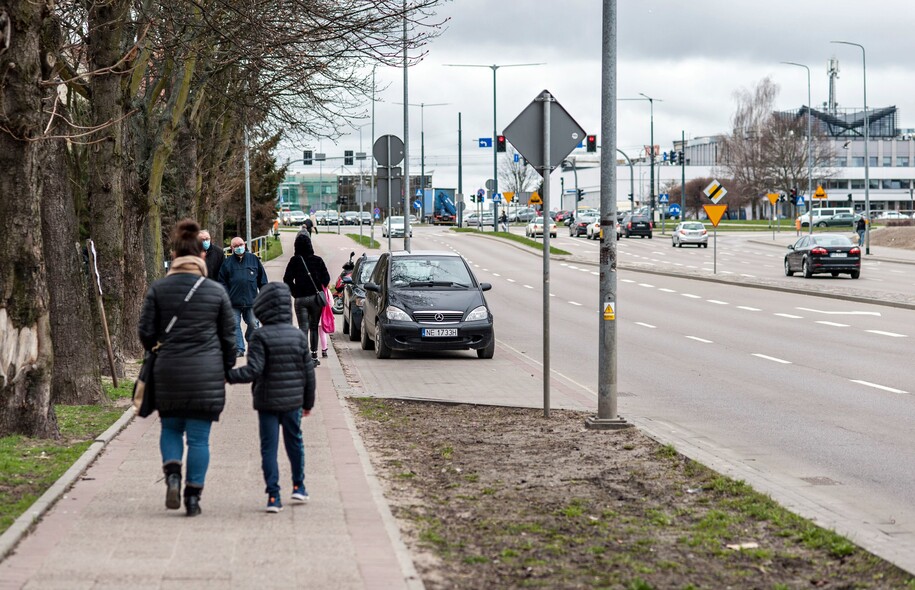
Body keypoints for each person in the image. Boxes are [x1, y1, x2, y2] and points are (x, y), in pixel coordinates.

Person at [138, 219, 237, 517]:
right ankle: (193, 497)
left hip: (167, 371)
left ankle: (172, 476)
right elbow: (229, 338)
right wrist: (226, 366)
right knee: (198, 439)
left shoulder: (159, 289)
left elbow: (145, 333)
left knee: (170, 428)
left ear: (175, 255)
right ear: (201, 256)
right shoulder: (215, 293)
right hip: (206, 374)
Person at [227, 282, 316, 513]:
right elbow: (308, 373)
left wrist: (228, 376)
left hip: (267, 401)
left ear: (262, 307)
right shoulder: (298, 337)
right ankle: (299, 485)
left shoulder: (259, 336)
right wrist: (308, 403)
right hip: (293, 401)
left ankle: (274, 497)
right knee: (295, 442)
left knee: (269, 448)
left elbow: (253, 370)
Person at [283, 233, 330, 366]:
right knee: (314, 327)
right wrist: (319, 286)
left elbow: (287, 279)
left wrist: (295, 292)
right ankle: (314, 356)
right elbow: (326, 279)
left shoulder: (294, 261)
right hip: (316, 299)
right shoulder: (318, 260)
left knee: (303, 328)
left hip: (301, 299)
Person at [218, 237, 268, 357]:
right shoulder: (227, 263)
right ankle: (239, 348)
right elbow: (222, 281)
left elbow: (262, 279)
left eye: (241, 244)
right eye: (236, 245)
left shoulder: (253, 259)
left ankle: (250, 339)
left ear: (244, 245)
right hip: (233, 301)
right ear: (232, 248)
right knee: (234, 325)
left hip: (252, 300)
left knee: (253, 323)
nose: (239, 247)